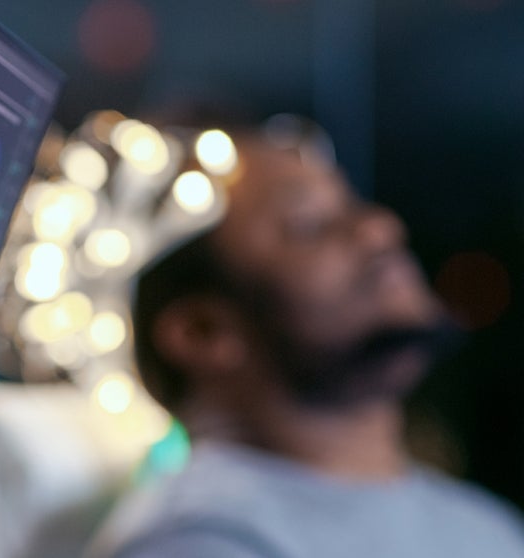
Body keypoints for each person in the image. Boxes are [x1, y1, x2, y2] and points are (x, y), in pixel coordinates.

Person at [85, 122, 524, 557]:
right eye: (309, 224)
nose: (379, 228)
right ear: (205, 332)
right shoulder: (198, 542)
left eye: (353, 207)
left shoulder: (485, 525)